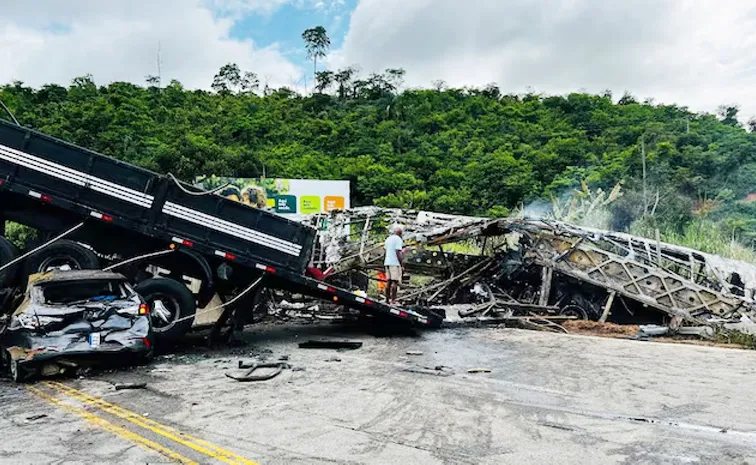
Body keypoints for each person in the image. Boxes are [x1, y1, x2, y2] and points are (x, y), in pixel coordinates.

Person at [384, 226, 404, 304]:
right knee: (394, 282)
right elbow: (398, 252)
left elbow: (385, 252)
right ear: (400, 233)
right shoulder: (398, 239)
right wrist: (401, 264)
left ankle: (386, 300)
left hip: (387, 262)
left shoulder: (388, 239)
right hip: (394, 263)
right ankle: (393, 300)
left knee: (388, 281)